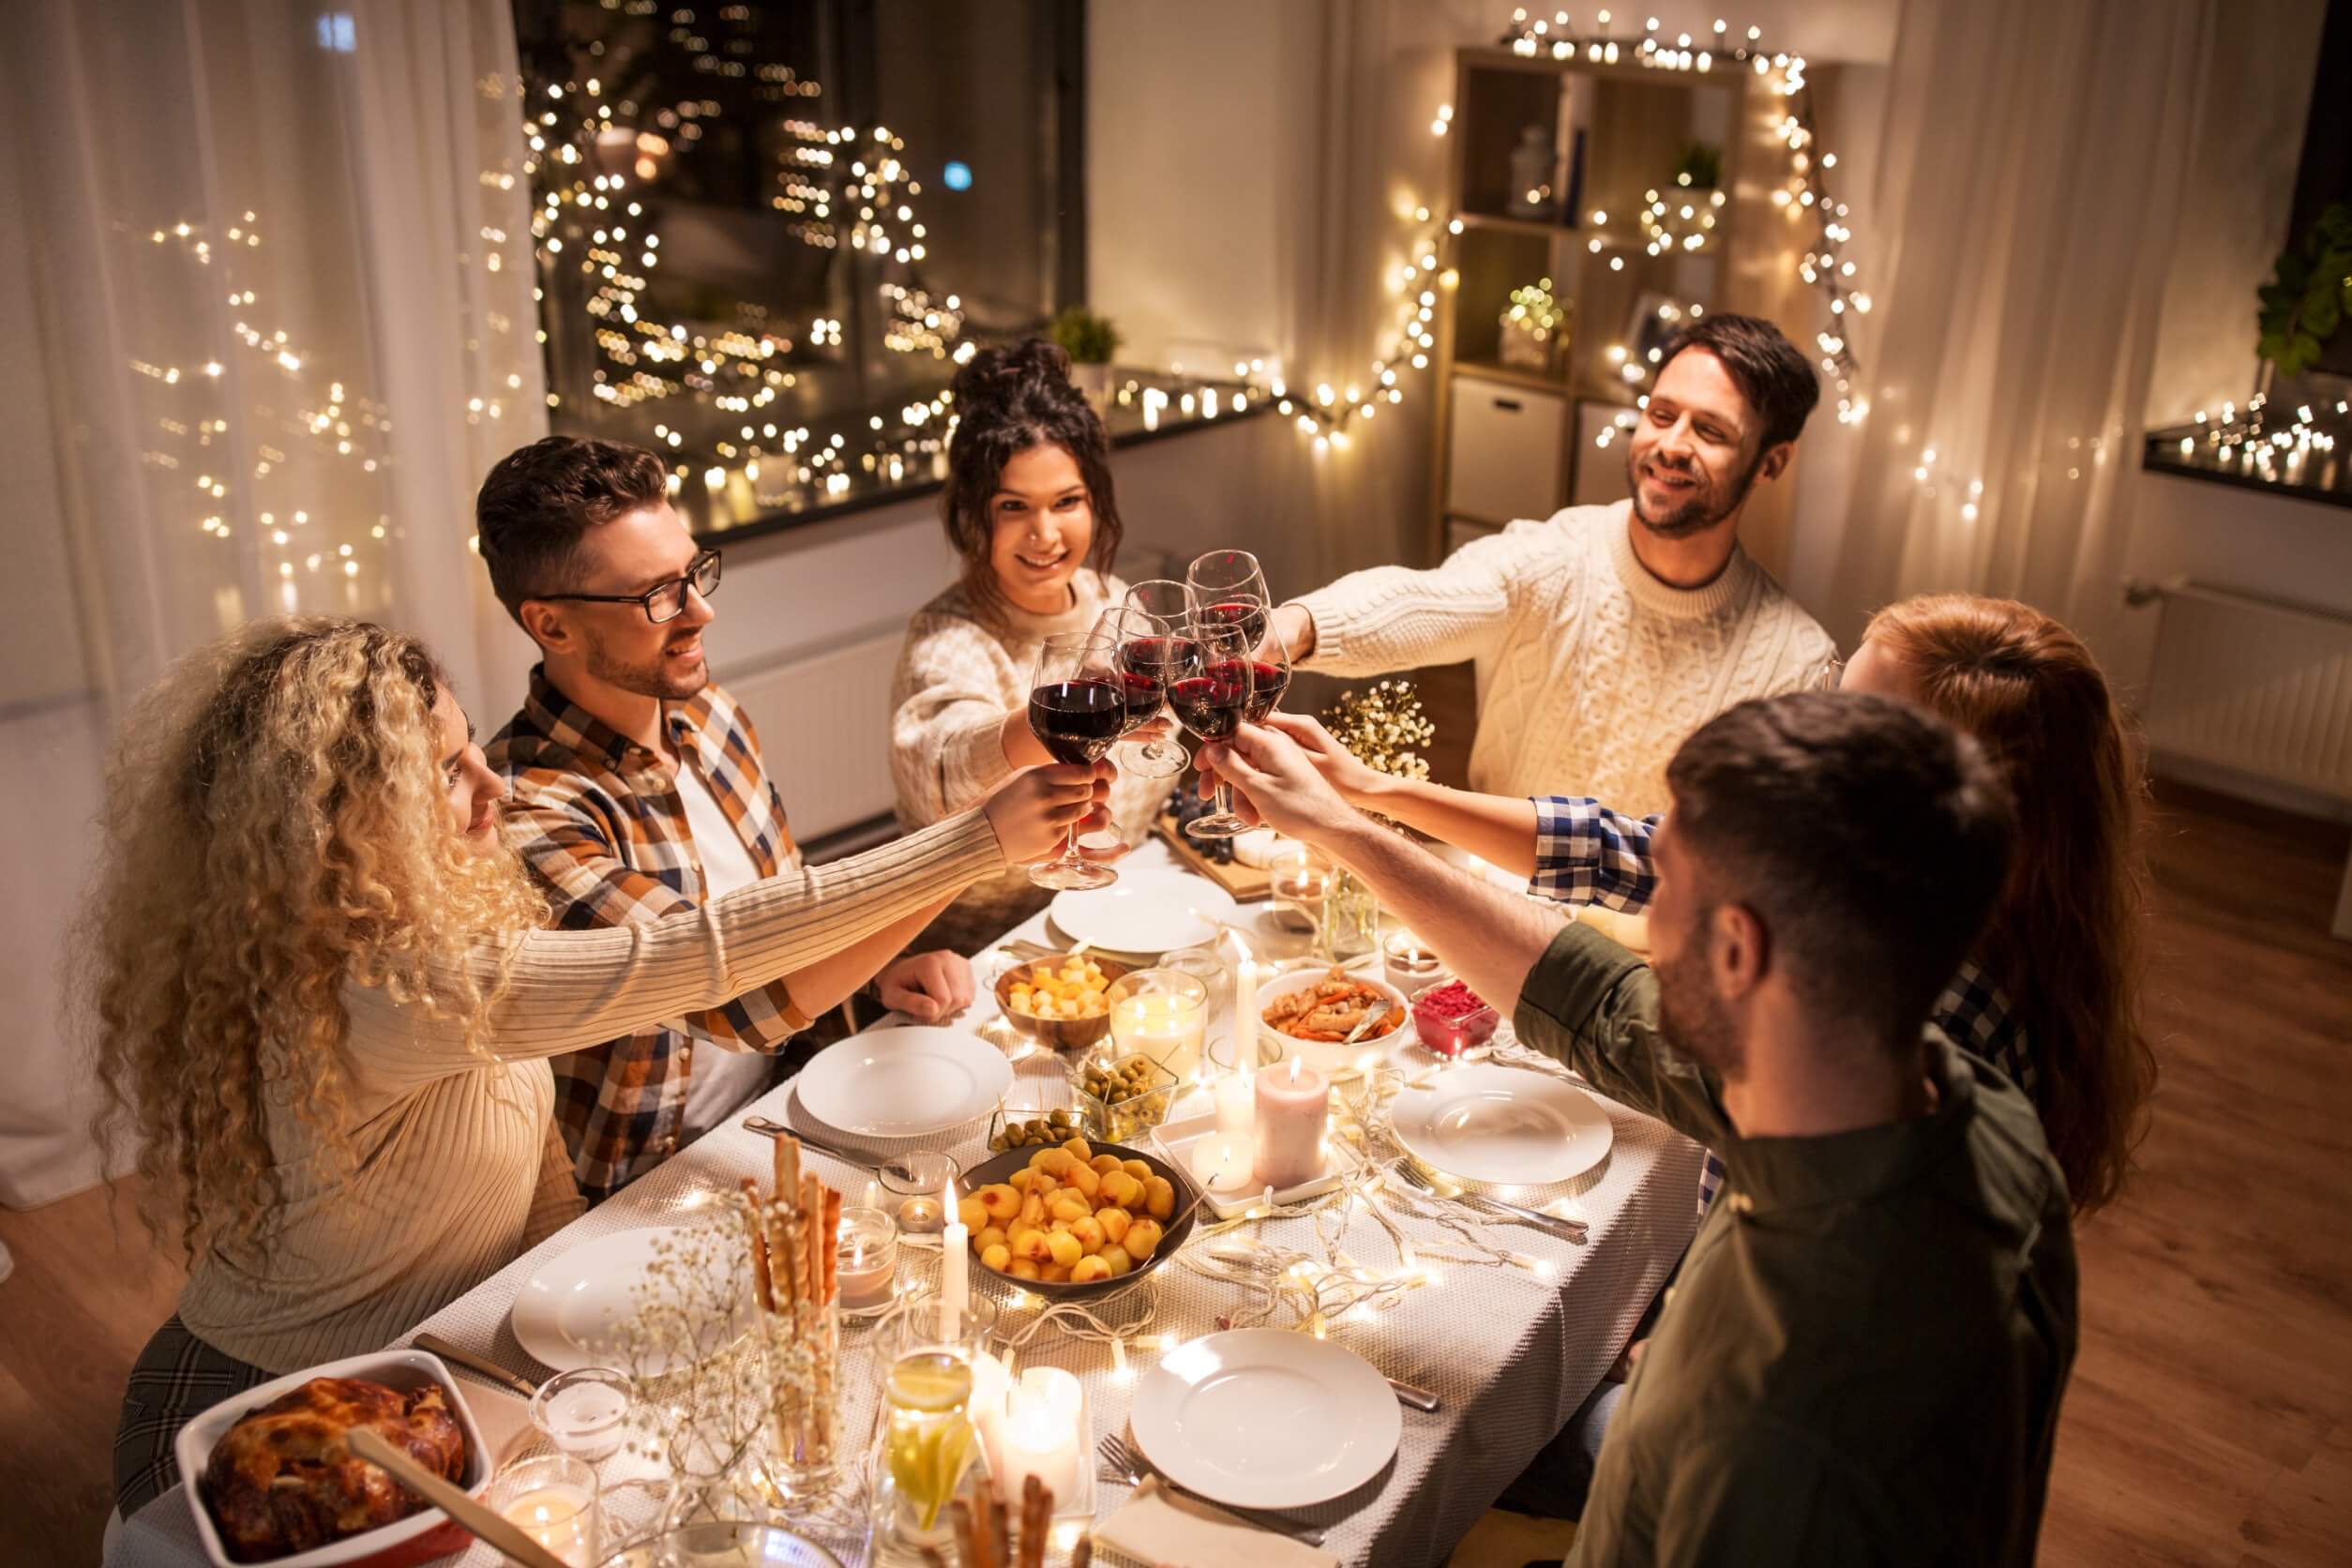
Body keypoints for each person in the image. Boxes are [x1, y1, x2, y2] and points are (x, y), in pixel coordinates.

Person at [93, 617, 1106, 1516]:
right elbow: (693, 957)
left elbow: (531, 1168)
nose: (488, 779)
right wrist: (972, 844)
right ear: (344, 825)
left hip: (429, 1377)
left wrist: (552, 1343)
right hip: (267, 1414)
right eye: (445, 771)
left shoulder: (439, 912)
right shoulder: (381, 983)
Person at [1204, 701, 2076, 1564]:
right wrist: (1341, 826)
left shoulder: (1783, 1442)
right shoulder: (1935, 1093)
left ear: (1738, 953)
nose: (1642, 933)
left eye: (1666, 886)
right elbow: (1599, 999)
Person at [1257, 592, 2155, 1216]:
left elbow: (1614, 1013)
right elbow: (1628, 851)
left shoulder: (1926, 1015)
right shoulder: (1895, 883)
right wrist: (1378, 792)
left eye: (1854, 730)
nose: (1815, 734)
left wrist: (1347, 834)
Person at [477, 437, 980, 1200]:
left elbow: (784, 916)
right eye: (658, 596)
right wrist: (975, 848)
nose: (702, 611)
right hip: (648, 1192)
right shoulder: (526, 806)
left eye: (695, 575)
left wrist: (873, 975)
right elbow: (733, 1002)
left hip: (785, 1110)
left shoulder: (713, 717)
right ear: (552, 627)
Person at [1267, 311, 1837, 809]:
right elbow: (1429, 598)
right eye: (1662, 415)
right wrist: (1296, 628)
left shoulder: (1795, 664)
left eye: (1709, 430)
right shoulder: (1552, 557)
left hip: (1649, 935)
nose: (1670, 445)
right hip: (1489, 907)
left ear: (1770, 463)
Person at [890, 339, 1174, 950]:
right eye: (1014, 507)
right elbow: (944, 768)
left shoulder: (1116, 604)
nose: (1045, 535)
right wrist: (1053, 721)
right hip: (985, 954)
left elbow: (1160, 760)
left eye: (1066, 502)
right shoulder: (944, 641)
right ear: (973, 514)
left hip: (1122, 919)